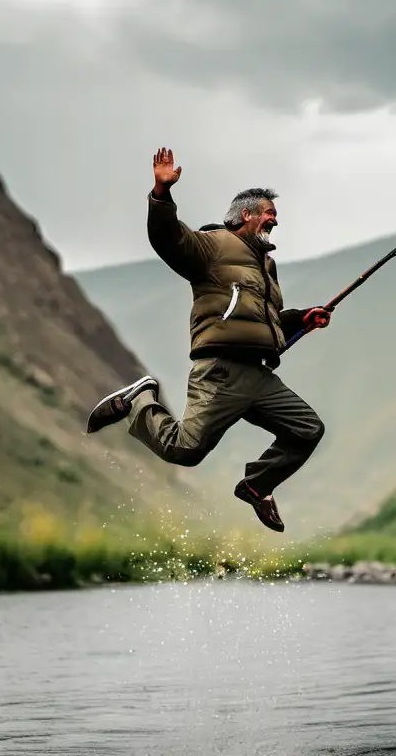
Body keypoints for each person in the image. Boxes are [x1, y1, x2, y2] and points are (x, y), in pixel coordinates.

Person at [84, 148, 331, 533]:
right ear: (246, 214)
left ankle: (256, 485)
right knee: (185, 450)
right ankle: (139, 401)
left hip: (259, 376)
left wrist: (301, 318)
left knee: (308, 429)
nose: (274, 220)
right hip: (220, 373)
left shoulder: (266, 265)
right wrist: (161, 193)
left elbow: (258, 323)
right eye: (269, 213)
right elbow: (167, 238)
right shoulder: (212, 245)